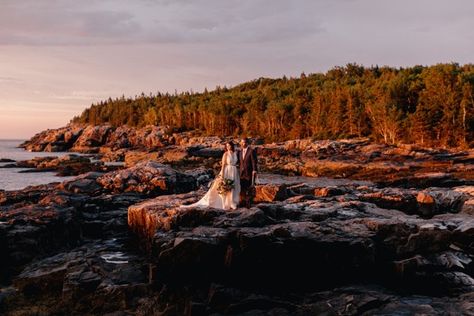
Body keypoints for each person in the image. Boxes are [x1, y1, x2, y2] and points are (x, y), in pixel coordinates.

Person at [182, 141, 240, 210]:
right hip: (227, 171)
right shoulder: (225, 154)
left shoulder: (235, 153)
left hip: (234, 171)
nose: (228, 147)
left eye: (229, 146)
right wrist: (222, 176)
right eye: (227, 146)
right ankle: (226, 203)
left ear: (232, 146)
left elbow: (237, 163)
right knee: (226, 187)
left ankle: (232, 202)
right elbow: (223, 166)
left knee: (234, 186)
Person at [239, 138, 258, 208]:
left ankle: (249, 203)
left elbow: (254, 161)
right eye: (242, 142)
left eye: (244, 142)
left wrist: (254, 170)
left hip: (249, 172)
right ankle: (243, 201)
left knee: (249, 187)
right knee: (242, 187)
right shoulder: (240, 151)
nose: (243, 144)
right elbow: (239, 162)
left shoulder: (251, 151)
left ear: (247, 143)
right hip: (241, 173)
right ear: (240, 143)